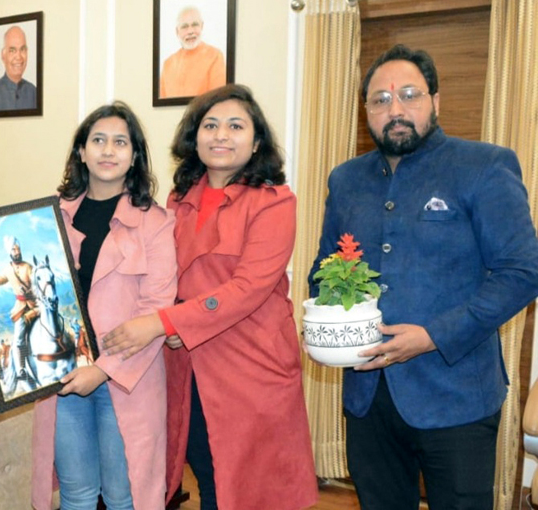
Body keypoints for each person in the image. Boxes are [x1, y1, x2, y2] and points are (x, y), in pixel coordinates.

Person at [307, 44, 538, 510]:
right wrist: (329, 325)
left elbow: (522, 270)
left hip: (457, 395)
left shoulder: (485, 165)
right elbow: (322, 272)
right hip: (367, 395)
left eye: (409, 94)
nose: (395, 109)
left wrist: (433, 336)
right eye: (380, 99)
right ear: (366, 111)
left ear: (436, 100)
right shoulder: (346, 179)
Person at [103, 84, 318, 510]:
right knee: (206, 476)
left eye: (235, 126)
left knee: (253, 490)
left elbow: (248, 289)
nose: (221, 135)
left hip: (250, 367)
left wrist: (166, 322)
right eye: (211, 125)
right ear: (195, 138)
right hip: (188, 366)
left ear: (256, 141)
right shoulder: (179, 200)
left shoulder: (275, 202)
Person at [30, 102, 177, 510]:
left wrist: (102, 370)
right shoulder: (50, 215)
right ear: (81, 151)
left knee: (123, 498)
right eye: (98, 140)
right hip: (64, 376)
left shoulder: (156, 223)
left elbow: (157, 308)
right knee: (75, 496)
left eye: (120, 142)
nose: (108, 150)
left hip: (128, 378)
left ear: (134, 156)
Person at [0, 236, 40, 392]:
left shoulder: (28, 267)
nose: (17, 252)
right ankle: (21, 369)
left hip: (35, 304)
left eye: (18, 249)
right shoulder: (8, 269)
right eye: (14, 249)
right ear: (9, 252)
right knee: (19, 340)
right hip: (21, 308)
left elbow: (37, 283)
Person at [159, 6, 226, 99]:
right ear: (177, 32)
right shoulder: (168, 64)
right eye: (184, 27)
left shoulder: (215, 56)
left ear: (202, 26)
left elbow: (217, 100)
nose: (190, 31)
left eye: (195, 25)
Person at [0, 25, 37, 111]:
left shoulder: (34, 92)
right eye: (12, 50)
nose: (18, 57)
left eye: (22, 49)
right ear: (3, 56)